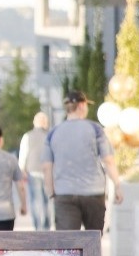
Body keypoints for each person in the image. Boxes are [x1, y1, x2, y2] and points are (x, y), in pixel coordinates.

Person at [42, 90, 124, 231]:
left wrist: (51, 192)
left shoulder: (53, 133)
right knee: (93, 242)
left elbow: (46, 167)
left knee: (67, 245)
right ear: (81, 106)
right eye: (86, 104)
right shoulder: (95, 129)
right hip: (93, 193)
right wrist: (117, 185)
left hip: (64, 194)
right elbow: (108, 160)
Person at [18, 111, 52, 230]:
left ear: (34, 122)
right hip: (48, 172)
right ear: (45, 123)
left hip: (33, 171)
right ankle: (47, 227)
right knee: (47, 201)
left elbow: (23, 154)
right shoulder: (50, 135)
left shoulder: (28, 135)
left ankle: (38, 228)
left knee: (36, 201)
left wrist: (22, 170)